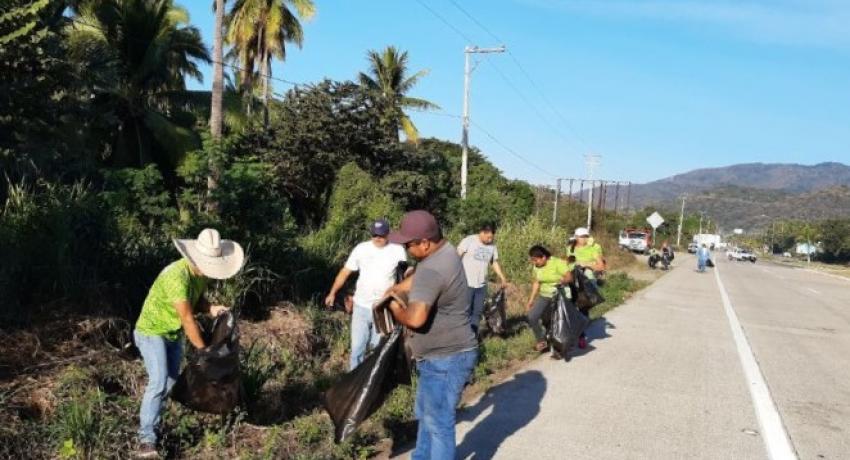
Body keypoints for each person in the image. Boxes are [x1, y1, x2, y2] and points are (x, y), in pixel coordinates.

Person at [133, 228, 244, 459]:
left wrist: (210, 308)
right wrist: (204, 352)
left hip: (171, 334)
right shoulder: (176, 276)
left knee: (172, 383)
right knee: (159, 381)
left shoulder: (199, 275)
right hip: (151, 332)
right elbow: (187, 318)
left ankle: (157, 424)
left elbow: (196, 301)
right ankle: (146, 440)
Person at [384, 210, 478, 460]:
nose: (406, 249)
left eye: (408, 244)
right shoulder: (447, 252)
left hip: (445, 359)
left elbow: (415, 319)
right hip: (447, 356)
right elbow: (417, 279)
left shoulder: (430, 269)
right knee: (426, 417)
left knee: (438, 424)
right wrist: (397, 288)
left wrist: (395, 308)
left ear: (425, 243)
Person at [324, 218, 407, 370]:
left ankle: (373, 385)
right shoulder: (361, 249)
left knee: (378, 349)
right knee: (357, 349)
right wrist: (332, 293)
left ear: (388, 234)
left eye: (381, 235)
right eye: (374, 235)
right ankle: (354, 382)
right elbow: (345, 272)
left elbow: (403, 277)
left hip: (383, 308)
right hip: (361, 307)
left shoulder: (398, 250)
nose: (377, 238)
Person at [457, 223, 508, 335]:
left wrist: (502, 277)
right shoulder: (469, 241)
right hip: (466, 284)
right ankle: (462, 337)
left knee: (477, 312)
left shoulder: (492, 246)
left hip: (481, 285)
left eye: (492, 237)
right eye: (488, 237)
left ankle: (473, 336)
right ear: (481, 232)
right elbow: (457, 257)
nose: (490, 239)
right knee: (466, 312)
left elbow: (493, 262)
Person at [524, 245, 573, 355]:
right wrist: (531, 300)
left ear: (544, 257)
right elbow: (536, 282)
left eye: (536, 260)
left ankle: (560, 346)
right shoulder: (536, 267)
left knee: (556, 321)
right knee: (532, 317)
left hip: (560, 296)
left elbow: (569, 277)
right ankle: (542, 341)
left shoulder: (558, 263)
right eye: (532, 260)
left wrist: (562, 281)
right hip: (544, 295)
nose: (534, 263)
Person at [566, 227, 606, 348]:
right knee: (571, 307)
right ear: (576, 237)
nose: (585, 238)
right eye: (582, 236)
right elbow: (568, 262)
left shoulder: (593, 248)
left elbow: (601, 267)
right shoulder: (570, 248)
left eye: (586, 236)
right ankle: (574, 334)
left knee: (582, 308)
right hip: (572, 280)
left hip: (586, 282)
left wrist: (586, 264)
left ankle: (581, 336)